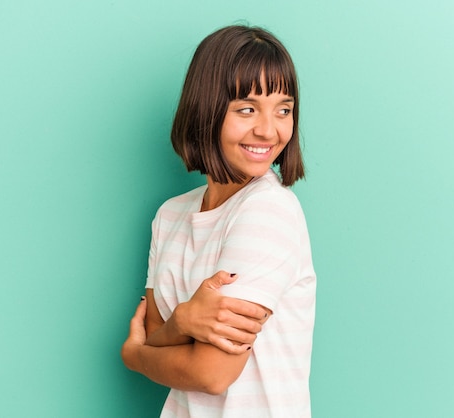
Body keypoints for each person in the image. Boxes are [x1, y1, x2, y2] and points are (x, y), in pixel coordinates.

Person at [121, 25, 316, 418]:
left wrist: (135, 357)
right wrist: (182, 323)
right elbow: (159, 336)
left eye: (284, 109)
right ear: (207, 108)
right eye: (247, 108)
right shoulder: (170, 215)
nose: (268, 129)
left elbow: (211, 373)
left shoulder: (267, 211)